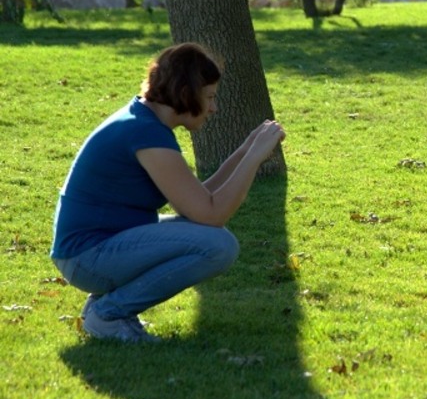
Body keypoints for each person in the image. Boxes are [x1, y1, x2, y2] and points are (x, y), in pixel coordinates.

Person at [50, 42, 286, 343]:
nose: (213, 108)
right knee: (219, 246)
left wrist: (245, 151)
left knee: (212, 238)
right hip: (86, 257)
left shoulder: (143, 121)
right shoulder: (145, 132)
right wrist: (254, 158)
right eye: (210, 97)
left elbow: (198, 202)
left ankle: (103, 308)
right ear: (186, 93)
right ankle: (109, 314)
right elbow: (212, 214)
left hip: (91, 251)